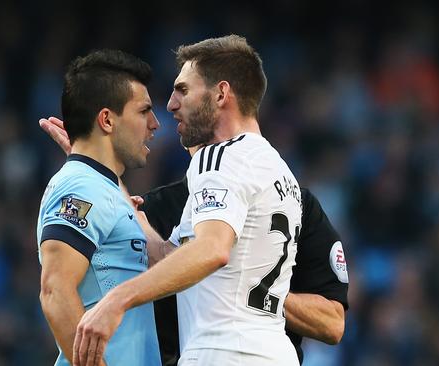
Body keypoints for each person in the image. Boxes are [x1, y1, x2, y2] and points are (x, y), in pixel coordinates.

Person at [40, 118, 349, 366]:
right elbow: (160, 255)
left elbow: (332, 323)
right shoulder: (163, 206)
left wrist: (253, 289)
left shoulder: (296, 205)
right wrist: (94, 165)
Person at [72, 35, 303, 366]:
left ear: (221, 94)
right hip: (270, 351)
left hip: (224, 352)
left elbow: (212, 250)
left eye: (183, 90)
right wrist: (98, 170)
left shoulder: (220, 158)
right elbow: (175, 257)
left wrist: (117, 300)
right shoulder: (279, 172)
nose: (170, 105)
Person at [36, 49, 161, 366]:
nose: (155, 124)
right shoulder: (82, 187)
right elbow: (54, 291)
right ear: (107, 119)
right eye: (144, 111)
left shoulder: (98, 186)